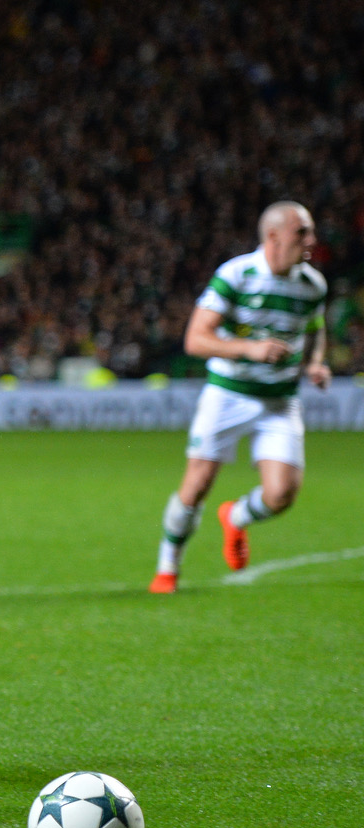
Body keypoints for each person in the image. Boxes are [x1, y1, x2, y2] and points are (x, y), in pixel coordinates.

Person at [149, 201, 329, 594]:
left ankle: (236, 517)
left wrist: (316, 362)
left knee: (281, 495)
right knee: (196, 484)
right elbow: (196, 339)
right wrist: (250, 349)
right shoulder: (236, 275)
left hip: (280, 400)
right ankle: (167, 568)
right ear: (274, 236)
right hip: (228, 395)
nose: (312, 240)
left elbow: (315, 329)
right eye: (303, 232)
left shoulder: (313, 284)